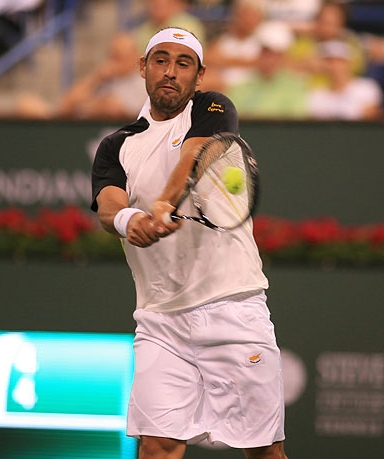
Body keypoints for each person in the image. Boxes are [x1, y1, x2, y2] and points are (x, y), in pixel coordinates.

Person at [91, 26, 288, 459]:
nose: (170, 71)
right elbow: (108, 206)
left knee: (263, 452)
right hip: (160, 321)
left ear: (199, 76)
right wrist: (130, 220)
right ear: (143, 67)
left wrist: (164, 202)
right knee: (156, 447)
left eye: (184, 64)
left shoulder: (213, 108)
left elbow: (195, 156)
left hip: (232, 307)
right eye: (160, 60)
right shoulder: (116, 145)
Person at [14, 32, 146, 119]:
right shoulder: (104, 77)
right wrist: (96, 78)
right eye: (112, 56)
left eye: (119, 56)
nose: (113, 62)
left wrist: (83, 107)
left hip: (103, 131)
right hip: (74, 121)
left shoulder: (142, 80)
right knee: (27, 104)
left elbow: (113, 108)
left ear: (134, 56)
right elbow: (67, 102)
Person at [225, 20, 309, 119]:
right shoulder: (240, 86)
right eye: (265, 52)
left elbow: (295, 122)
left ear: (283, 56)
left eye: (276, 54)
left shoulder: (295, 88)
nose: (269, 59)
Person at [307, 40, 383, 120]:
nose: (334, 66)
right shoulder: (317, 94)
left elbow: (372, 115)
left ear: (349, 63)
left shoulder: (367, 87)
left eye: (339, 61)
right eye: (329, 61)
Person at [202, 0, 268, 92]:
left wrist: (224, 60)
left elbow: (265, 63)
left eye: (250, 16)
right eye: (243, 15)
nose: (246, 20)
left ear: (259, 19)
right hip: (222, 85)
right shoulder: (224, 39)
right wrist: (246, 62)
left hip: (252, 87)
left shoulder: (264, 40)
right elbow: (208, 59)